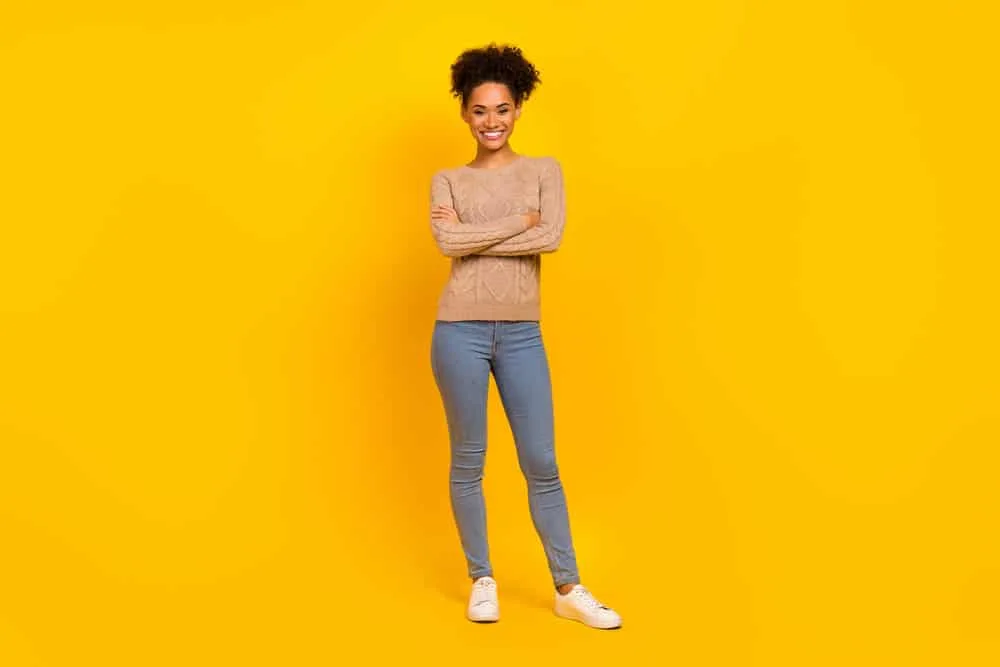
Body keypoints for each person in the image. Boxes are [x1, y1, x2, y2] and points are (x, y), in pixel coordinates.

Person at [427, 43, 622, 630]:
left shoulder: (544, 171)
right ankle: (481, 578)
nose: (492, 121)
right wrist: (519, 222)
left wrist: (477, 233)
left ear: (519, 110)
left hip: (520, 334)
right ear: (464, 112)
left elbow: (552, 236)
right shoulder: (447, 179)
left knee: (541, 460)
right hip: (457, 330)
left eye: (503, 109)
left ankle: (568, 586)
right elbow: (446, 245)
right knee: (469, 461)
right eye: (481, 110)